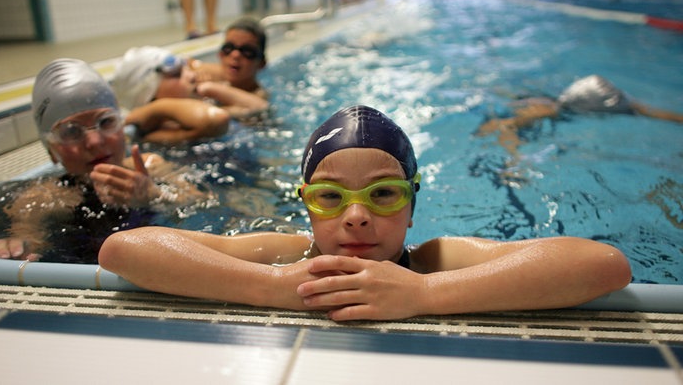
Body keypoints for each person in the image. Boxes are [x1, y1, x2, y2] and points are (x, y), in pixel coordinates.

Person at [99, 105, 632, 322]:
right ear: (305, 201)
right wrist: (278, 286)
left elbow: (604, 264)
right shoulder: (287, 254)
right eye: (330, 197)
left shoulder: (434, 260)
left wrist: (423, 294)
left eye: (383, 195)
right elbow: (124, 249)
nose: (355, 217)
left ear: (413, 202)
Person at [0, 59, 207, 263]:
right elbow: (28, 242)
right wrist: (13, 249)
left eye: (106, 122)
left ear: (121, 126)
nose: (95, 141)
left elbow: (202, 203)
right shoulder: (41, 199)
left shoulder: (151, 166)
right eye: (71, 132)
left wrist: (154, 195)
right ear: (51, 151)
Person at [111, 18, 269, 144]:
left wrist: (208, 87)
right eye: (177, 74)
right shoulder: (155, 134)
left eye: (186, 69)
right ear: (149, 96)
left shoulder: (194, 107)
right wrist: (159, 106)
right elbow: (217, 119)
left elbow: (260, 106)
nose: (192, 75)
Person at [477, 74, 683, 160]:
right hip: (534, 102)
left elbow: (647, 111)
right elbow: (504, 126)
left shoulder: (621, 103)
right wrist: (514, 162)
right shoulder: (548, 109)